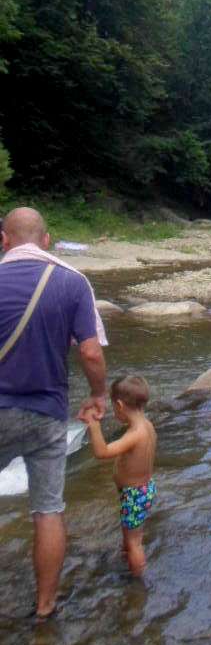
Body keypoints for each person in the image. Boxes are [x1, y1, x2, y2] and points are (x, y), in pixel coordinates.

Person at [0, 207, 108, 618]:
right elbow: (90, 352)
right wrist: (98, 395)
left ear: (4, 240)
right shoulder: (72, 280)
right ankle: (45, 608)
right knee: (47, 510)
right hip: (46, 415)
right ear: (47, 241)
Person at [87, 375, 157, 578]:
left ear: (119, 405)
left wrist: (94, 425)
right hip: (143, 490)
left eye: (113, 406)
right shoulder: (148, 426)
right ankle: (127, 558)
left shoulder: (134, 434)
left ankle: (137, 581)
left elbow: (102, 452)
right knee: (131, 534)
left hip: (134, 494)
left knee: (135, 542)